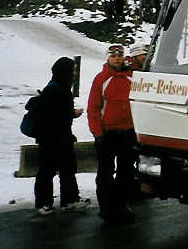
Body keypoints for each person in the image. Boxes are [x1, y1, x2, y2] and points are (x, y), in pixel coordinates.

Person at [34, 57, 91, 215]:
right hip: (52, 139)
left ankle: (69, 200)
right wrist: (71, 113)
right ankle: (44, 203)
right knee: (48, 170)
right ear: (65, 71)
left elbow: (59, 113)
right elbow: (51, 116)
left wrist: (71, 114)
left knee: (66, 169)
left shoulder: (61, 87)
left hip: (60, 137)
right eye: (72, 69)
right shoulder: (54, 89)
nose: (74, 73)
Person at [87, 44, 135, 223]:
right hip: (107, 133)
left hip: (128, 132)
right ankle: (106, 208)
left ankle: (121, 205)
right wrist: (98, 134)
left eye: (120, 55)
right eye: (113, 55)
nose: (117, 58)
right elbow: (93, 108)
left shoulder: (131, 77)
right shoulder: (101, 79)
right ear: (107, 58)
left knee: (126, 172)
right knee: (106, 172)